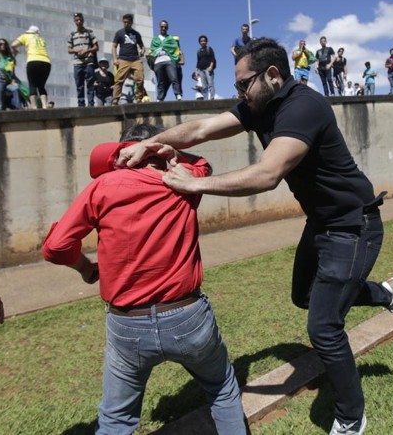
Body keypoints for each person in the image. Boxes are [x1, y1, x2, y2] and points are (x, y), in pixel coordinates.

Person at [114, 38, 393, 435]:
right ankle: (386, 294)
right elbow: (202, 127)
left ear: (272, 75)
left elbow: (268, 174)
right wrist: (151, 143)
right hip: (321, 224)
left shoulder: (304, 106)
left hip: (353, 225)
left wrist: (196, 185)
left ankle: (351, 417)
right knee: (303, 297)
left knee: (323, 327)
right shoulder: (259, 105)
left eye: (242, 84)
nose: (239, 94)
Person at [42, 123, 247, 435]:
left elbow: (56, 246)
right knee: (222, 389)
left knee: (115, 420)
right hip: (188, 317)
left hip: (127, 323)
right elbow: (204, 164)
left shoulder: (104, 186)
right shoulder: (183, 182)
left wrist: (86, 268)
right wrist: (168, 150)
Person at [12, 25, 52, 109]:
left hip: (33, 61)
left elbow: (13, 44)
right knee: (41, 86)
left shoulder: (25, 36)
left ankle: (34, 107)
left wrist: (15, 50)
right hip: (46, 62)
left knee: (32, 85)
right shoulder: (41, 39)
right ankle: (44, 106)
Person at [111, 14, 146, 105]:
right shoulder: (119, 33)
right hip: (123, 59)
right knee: (119, 80)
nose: (126, 24)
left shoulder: (136, 34)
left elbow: (142, 47)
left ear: (131, 22)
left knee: (140, 79)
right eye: (124, 22)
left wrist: (142, 51)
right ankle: (115, 99)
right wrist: (115, 59)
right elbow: (114, 46)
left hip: (135, 59)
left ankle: (139, 98)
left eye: (128, 22)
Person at [68, 13, 99, 107]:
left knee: (90, 85)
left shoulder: (89, 32)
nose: (79, 22)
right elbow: (69, 49)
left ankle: (91, 104)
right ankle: (81, 104)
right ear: (74, 21)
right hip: (77, 63)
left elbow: (96, 47)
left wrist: (87, 50)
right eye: (77, 20)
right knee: (79, 85)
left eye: (80, 20)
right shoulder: (72, 34)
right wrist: (75, 50)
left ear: (83, 20)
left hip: (88, 62)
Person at [149, 20, 182, 101]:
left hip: (168, 60)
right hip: (158, 62)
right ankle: (159, 98)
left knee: (174, 78)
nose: (163, 28)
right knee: (160, 81)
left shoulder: (170, 38)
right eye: (162, 26)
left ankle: (178, 95)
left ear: (167, 28)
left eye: (165, 27)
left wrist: (175, 58)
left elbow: (176, 49)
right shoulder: (155, 39)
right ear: (159, 27)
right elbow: (151, 51)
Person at [196, 35, 216, 100]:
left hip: (208, 68)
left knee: (210, 84)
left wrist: (211, 66)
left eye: (204, 41)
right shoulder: (199, 51)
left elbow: (213, 58)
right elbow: (198, 61)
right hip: (201, 70)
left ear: (206, 42)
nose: (203, 42)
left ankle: (212, 98)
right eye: (201, 41)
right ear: (199, 42)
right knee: (204, 86)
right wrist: (196, 71)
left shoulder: (209, 49)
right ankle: (205, 99)